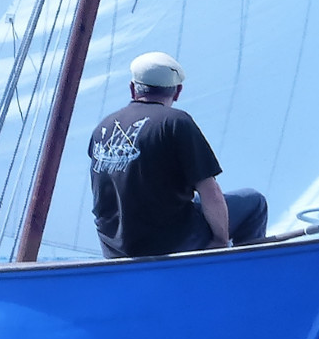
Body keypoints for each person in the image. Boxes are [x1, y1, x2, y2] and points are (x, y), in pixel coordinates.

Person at [87, 51, 268, 258]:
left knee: (196, 206)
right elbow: (210, 192)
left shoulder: (103, 127)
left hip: (116, 249)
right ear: (177, 91)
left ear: (132, 89)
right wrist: (220, 240)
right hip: (169, 243)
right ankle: (241, 273)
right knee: (254, 202)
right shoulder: (175, 122)